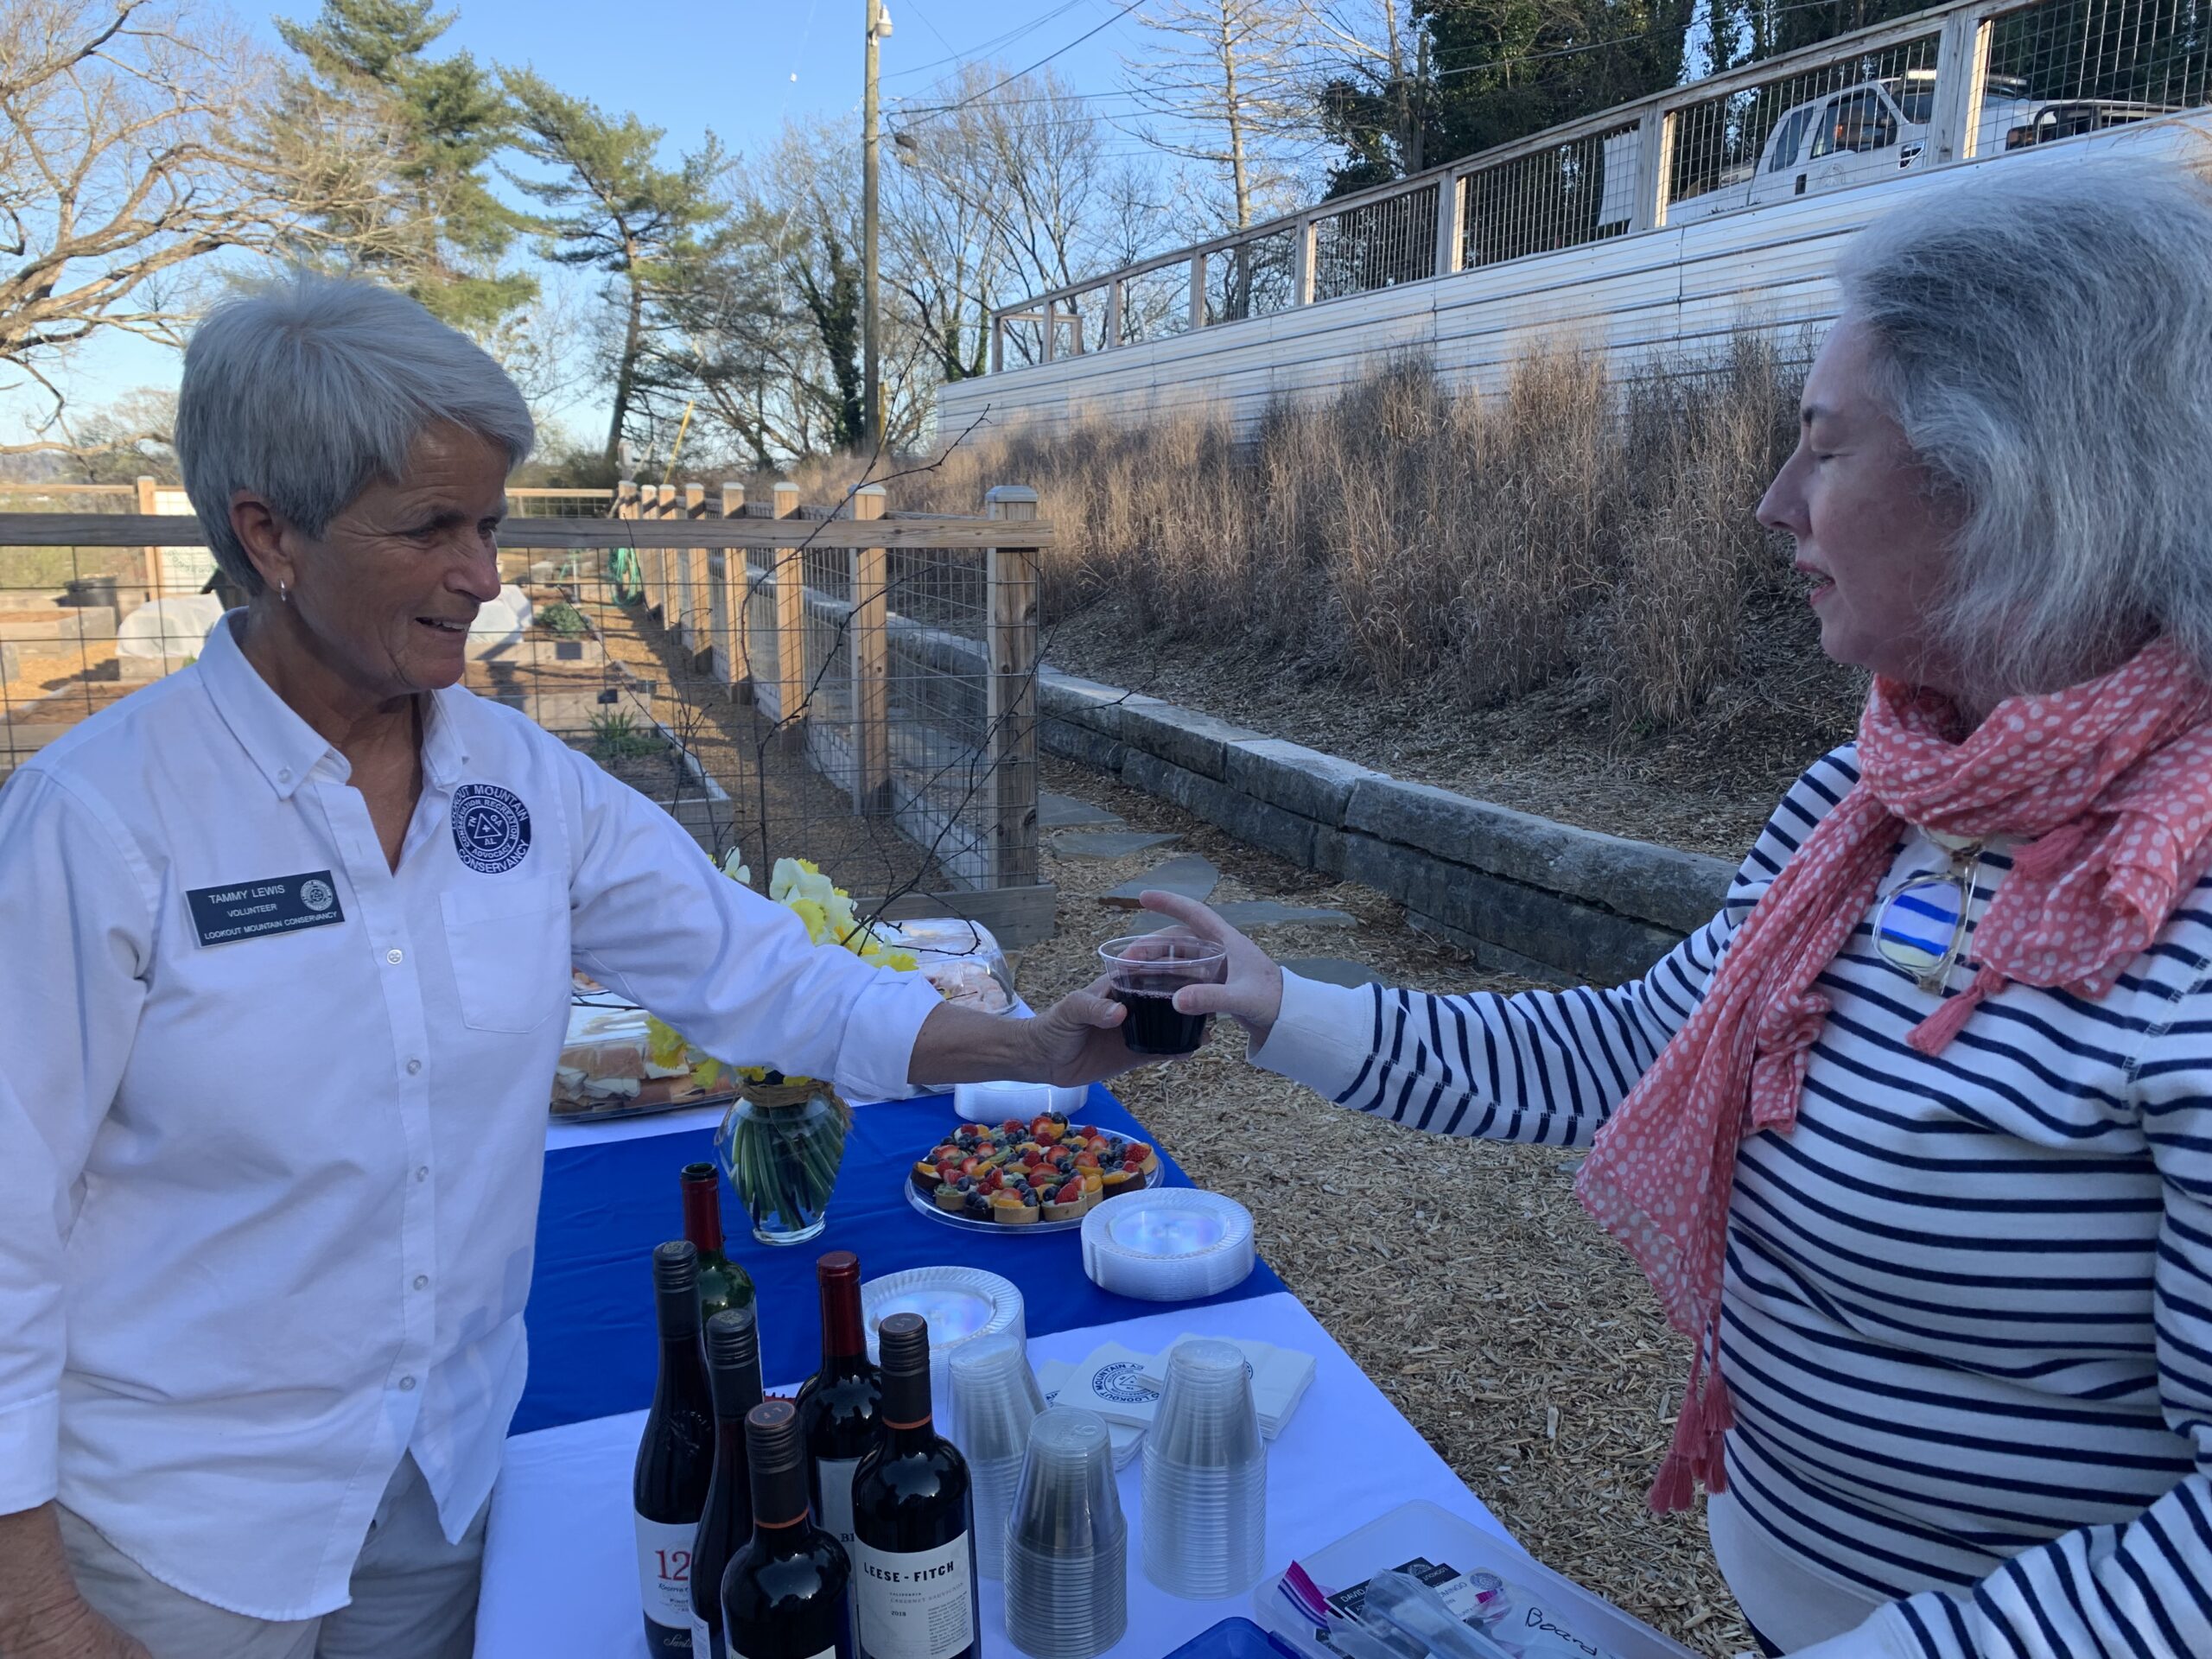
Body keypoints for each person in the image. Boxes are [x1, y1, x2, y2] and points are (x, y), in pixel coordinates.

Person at [1147, 156, 2212, 1659]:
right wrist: (1284, 1005)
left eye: (1825, 451)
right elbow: (1639, 1048)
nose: (1773, 505)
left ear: (2022, 484)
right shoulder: (1867, 812)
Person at [0, 276, 1143, 1659]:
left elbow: (766, 975)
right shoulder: (101, 820)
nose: (485, 576)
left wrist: (1031, 1051)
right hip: (178, 1541)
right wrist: (37, 1608)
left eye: (488, 523)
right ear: (269, 534)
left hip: (441, 1489)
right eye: (432, 528)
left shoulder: (517, 781)